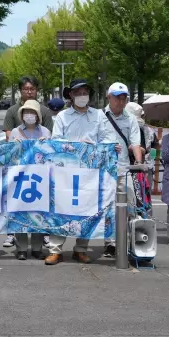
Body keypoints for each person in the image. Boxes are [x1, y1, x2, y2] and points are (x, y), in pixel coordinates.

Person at [48, 79, 111, 264]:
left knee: (86, 210)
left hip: (90, 171)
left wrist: (97, 145)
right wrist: (74, 147)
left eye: (85, 92)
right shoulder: (62, 117)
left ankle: (81, 248)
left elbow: (107, 138)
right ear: (71, 96)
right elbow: (55, 141)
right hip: (66, 171)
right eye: (78, 93)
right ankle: (55, 250)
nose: (82, 96)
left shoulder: (99, 115)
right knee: (60, 209)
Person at [102, 83, 145, 259]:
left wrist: (140, 164)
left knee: (130, 206)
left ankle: (129, 242)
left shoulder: (131, 119)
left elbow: (135, 143)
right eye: (117, 97)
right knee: (107, 208)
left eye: (124, 98)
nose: (121, 101)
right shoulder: (99, 117)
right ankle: (110, 244)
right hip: (104, 170)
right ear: (108, 97)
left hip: (124, 169)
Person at [5, 98, 51, 259]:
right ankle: (22, 248)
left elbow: (52, 155)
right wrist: (14, 145)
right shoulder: (16, 132)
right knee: (20, 211)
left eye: (32, 112)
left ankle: (37, 247)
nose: (29, 115)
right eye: (26, 112)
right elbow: (9, 156)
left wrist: (48, 144)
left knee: (38, 212)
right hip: (21, 177)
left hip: (40, 178)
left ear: (38, 115)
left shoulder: (45, 132)